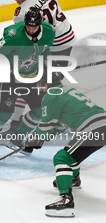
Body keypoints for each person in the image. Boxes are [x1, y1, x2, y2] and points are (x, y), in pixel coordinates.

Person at [5, 0, 77, 137]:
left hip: (54, 46)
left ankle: (50, 123)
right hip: (64, 38)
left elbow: (25, 37)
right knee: (39, 84)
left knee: (46, 87)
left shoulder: (21, 12)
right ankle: (28, 123)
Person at [0, 7, 56, 161]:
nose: (30, 29)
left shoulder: (49, 32)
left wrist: (48, 72)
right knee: (2, 115)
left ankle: (17, 139)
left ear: (40, 25)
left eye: (34, 27)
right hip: (10, 78)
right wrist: (1, 70)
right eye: (28, 26)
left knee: (40, 111)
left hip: (32, 77)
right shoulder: (13, 36)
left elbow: (45, 51)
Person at [33, 72, 106, 218]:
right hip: (101, 123)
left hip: (92, 128)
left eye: (41, 83)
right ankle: (73, 178)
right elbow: (59, 125)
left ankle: (66, 201)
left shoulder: (51, 95)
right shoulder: (67, 90)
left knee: (62, 158)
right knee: (72, 151)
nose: (41, 87)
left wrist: (35, 139)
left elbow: (46, 128)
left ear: (46, 83)